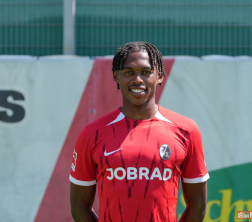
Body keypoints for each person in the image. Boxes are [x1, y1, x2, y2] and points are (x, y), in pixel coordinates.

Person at [69, 41, 209, 222]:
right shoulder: (92, 133)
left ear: (159, 76)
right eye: (128, 72)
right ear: (116, 76)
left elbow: (198, 204)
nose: (137, 80)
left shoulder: (186, 130)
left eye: (146, 72)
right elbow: (79, 207)